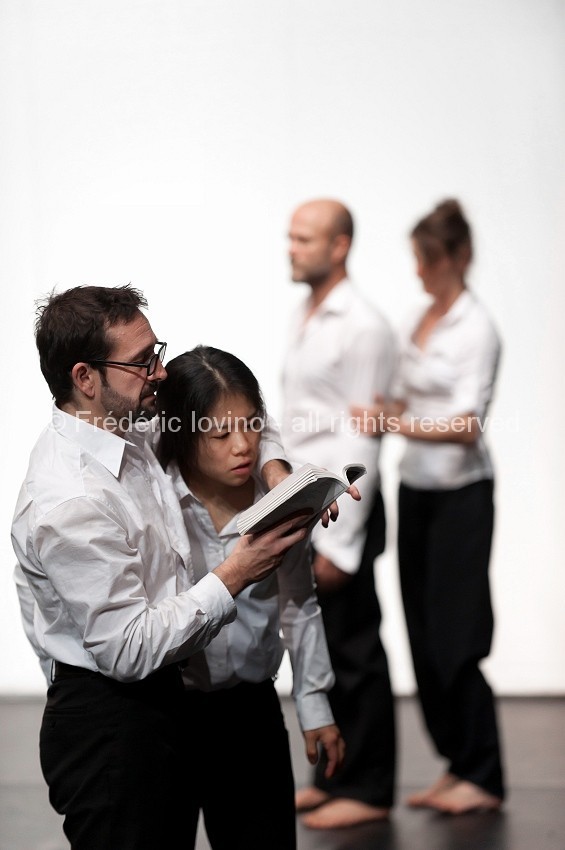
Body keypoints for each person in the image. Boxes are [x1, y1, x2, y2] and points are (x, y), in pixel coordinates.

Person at [11, 284, 310, 850]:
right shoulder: (70, 500)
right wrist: (235, 573)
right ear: (85, 378)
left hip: (162, 703)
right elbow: (127, 649)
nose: (161, 372)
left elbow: (244, 416)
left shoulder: (130, 425)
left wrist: (275, 472)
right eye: (142, 361)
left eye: (157, 352)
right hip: (111, 727)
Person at [155, 345, 346, 849]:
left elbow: (299, 603)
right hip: (167, 711)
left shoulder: (275, 501)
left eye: (251, 426)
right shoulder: (153, 499)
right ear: (180, 433)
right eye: (220, 435)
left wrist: (314, 704)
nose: (242, 446)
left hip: (251, 712)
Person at [352, 198, 505, 814]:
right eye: (417, 258)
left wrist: (394, 421)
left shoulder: (478, 328)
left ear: (459, 257)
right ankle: (457, 761)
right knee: (420, 631)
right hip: (415, 488)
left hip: (461, 497)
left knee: (456, 635)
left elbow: (468, 425)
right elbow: (398, 394)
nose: (420, 270)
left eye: (430, 259)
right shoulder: (418, 316)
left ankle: (483, 774)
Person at [280, 198, 397, 828]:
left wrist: (343, 546)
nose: (292, 248)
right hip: (312, 503)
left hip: (345, 507)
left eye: (304, 238)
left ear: (339, 245)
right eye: (291, 237)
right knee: (321, 644)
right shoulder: (307, 314)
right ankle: (332, 777)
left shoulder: (363, 326)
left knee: (355, 649)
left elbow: (363, 436)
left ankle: (370, 789)